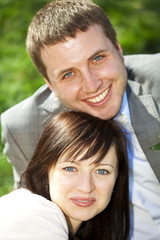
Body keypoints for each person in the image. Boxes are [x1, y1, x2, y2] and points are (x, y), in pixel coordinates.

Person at [0, 0, 160, 239]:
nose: (92, 84)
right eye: (68, 74)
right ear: (48, 83)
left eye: (97, 59)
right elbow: (37, 212)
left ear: (118, 49)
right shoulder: (24, 127)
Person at [0, 111, 130, 240]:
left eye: (102, 171)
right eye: (70, 168)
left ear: (117, 178)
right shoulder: (31, 216)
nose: (86, 187)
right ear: (46, 171)